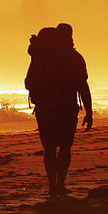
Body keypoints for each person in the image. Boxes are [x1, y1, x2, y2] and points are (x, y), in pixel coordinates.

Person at [25, 23, 93, 196]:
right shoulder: (75, 58)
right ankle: (60, 184)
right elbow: (82, 87)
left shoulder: (41, 57)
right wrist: (89, 111)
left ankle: (52, 185)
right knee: (65, 147)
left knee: (49, 148)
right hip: (67, 108)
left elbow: (28, 83)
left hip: (45, 108)